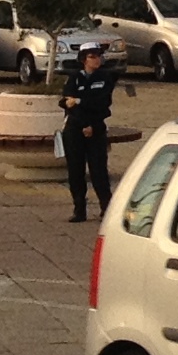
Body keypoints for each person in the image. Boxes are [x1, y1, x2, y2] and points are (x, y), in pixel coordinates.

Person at [60, 35, 120, 222]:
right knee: (75, 170)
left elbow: (102, 103)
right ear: (84, 59)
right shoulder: (74, 78)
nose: (97, 59)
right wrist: (83, 120)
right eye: (93, 56)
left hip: (96, 128)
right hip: (75, 129)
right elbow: (65, 102)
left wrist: (80, 101)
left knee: (98, 170)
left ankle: (106, 207)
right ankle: (79, 208)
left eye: (99, 56)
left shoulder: (105, 78)